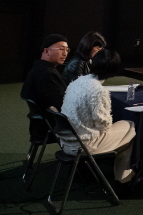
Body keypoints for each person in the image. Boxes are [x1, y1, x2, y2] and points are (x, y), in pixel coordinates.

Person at [59, 49, 136, 182]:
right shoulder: (98, 90)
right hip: (83, 145)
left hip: (65, 142)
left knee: (125, 130)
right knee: (132, 127)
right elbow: (104, 126)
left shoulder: (76, 82)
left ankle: (119, 175)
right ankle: (123, 179)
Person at [20, 34, 70, 141]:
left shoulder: (40, 68)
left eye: (67, 50)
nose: (65, 53)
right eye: (61, 49)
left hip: (42, 125)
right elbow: (62, 104)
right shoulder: (46, 73)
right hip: (53, 126)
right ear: (46, 51)